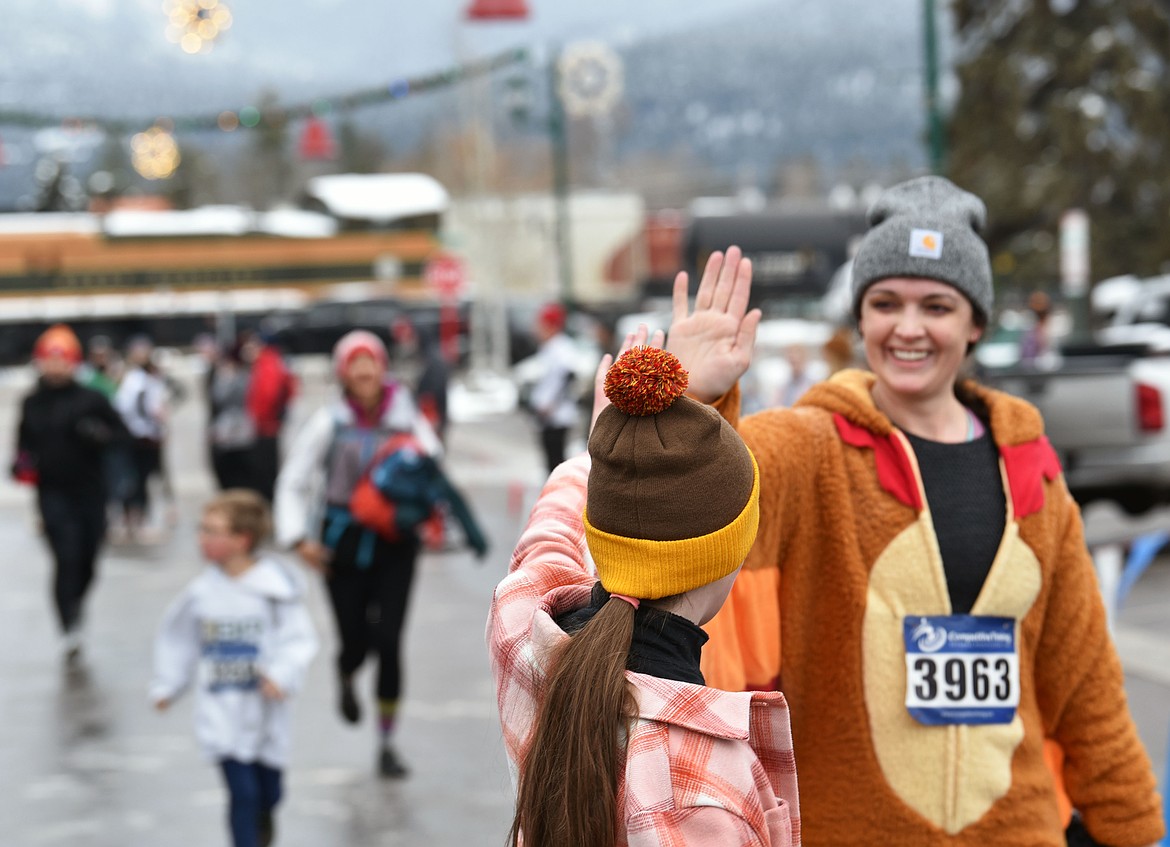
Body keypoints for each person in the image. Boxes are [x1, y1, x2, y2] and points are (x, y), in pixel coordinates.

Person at [664, 177, 1164, 847]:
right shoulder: (810, 445)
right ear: (860, 317)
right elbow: (697, 517)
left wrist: (1130, 830)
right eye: (885, 302)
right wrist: (694, 407)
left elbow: (1088, 695)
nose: (908, 327)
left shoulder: (1031, 470)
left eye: (936, 304)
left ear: (976, 322)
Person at [489, 337, 800, 847]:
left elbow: (549, 537)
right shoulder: (704, 782)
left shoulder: (524, 635)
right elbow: (552, 533)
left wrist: (609, 458)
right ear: (728, 555)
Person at [274, 330, 441, 778]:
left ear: (383, 367)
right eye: (355, 363)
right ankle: (347, 673)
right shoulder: (329, 421)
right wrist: (297, 540)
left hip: (395, 542)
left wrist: (417, 487)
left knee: (389, 642)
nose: (365, 371)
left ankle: (386, 741)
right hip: (341, 542)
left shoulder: (406, 417)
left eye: (372, 361)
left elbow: (433, 463)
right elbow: (292, 480)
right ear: (343, 372)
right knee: (354, 640)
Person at [151, 489, 317, 847]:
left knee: (268, 793)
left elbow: (300, 639)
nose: (202, 539)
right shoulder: (201, 593)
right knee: (241, 794)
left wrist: (282, 674)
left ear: (242, 540)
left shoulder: (276, 591)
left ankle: (263, 821)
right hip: (221, 709)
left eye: (212, 531)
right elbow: (179, 640)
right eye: (202, 529)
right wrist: (168, 685)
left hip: (266, 710)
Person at [12, 324, 129, 661]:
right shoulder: (33, 402)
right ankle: (68, 624)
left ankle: (76, 601)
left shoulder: (92, 398)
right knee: (66, 556)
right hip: (52, 493)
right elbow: (23, 445)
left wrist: (100, 436)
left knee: (89, 559)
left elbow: (122, 435)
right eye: (49, 359)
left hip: (91, 491)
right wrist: (21, 465)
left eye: (61, 359)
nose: (55, 366)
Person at [113, 335, 169, 540]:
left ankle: (138, 519)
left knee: (144, 479)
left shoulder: (149, 377)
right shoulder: (133, 378)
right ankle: (133, 520)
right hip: (138, 436)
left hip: (147, 436)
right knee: (134, 480)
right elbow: (126, 407)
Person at [246, 329, 298, 502]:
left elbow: (269, 393)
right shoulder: (273, 361)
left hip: (266, 426)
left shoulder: (268, 362)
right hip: (268, 425)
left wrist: (262, 417)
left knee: (266, 473)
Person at [527, 302, 580, 473]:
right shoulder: (550, 347)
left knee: (556, 461)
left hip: (557, 414)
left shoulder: (561, 347)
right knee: (550, 460)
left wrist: (551, 404)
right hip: (548, 414)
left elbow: (568, 377)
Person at [208, 338, 258, 492]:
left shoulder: (238, 375)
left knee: (239, 475)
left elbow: (220, 397)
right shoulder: (242, 374)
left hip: (236, 431)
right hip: (232, 431)